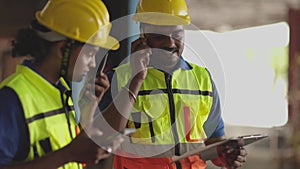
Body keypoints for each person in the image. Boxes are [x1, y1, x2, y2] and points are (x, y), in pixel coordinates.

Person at [98, 0, 248, 169]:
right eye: (159, 36)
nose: (170, 44)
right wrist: (136, 79)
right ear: (143, 33)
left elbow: (215, 141)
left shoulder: (203, 80)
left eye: (176, 35)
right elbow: (104, 138)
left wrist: (227, 156)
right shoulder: (119, 78)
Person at [0, 0, 121, 168]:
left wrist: (89, 110)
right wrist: (67, 154)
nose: (93, 64)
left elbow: (71, 157)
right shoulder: (12, 100)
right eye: (90, 54)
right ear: (62, 49)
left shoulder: (60, 93)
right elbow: (67, 154)